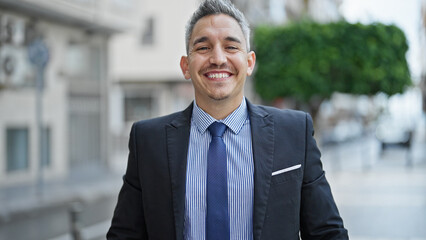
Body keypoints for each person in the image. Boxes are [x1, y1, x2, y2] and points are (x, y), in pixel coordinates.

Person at [107, 0, 348, 239]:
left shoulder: (294, 132)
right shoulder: (148, 140)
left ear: (250, 62)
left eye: (231, 47)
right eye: (203, 48)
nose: (218, 58)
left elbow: (327, 233)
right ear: (186, 66)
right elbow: (124, 235)